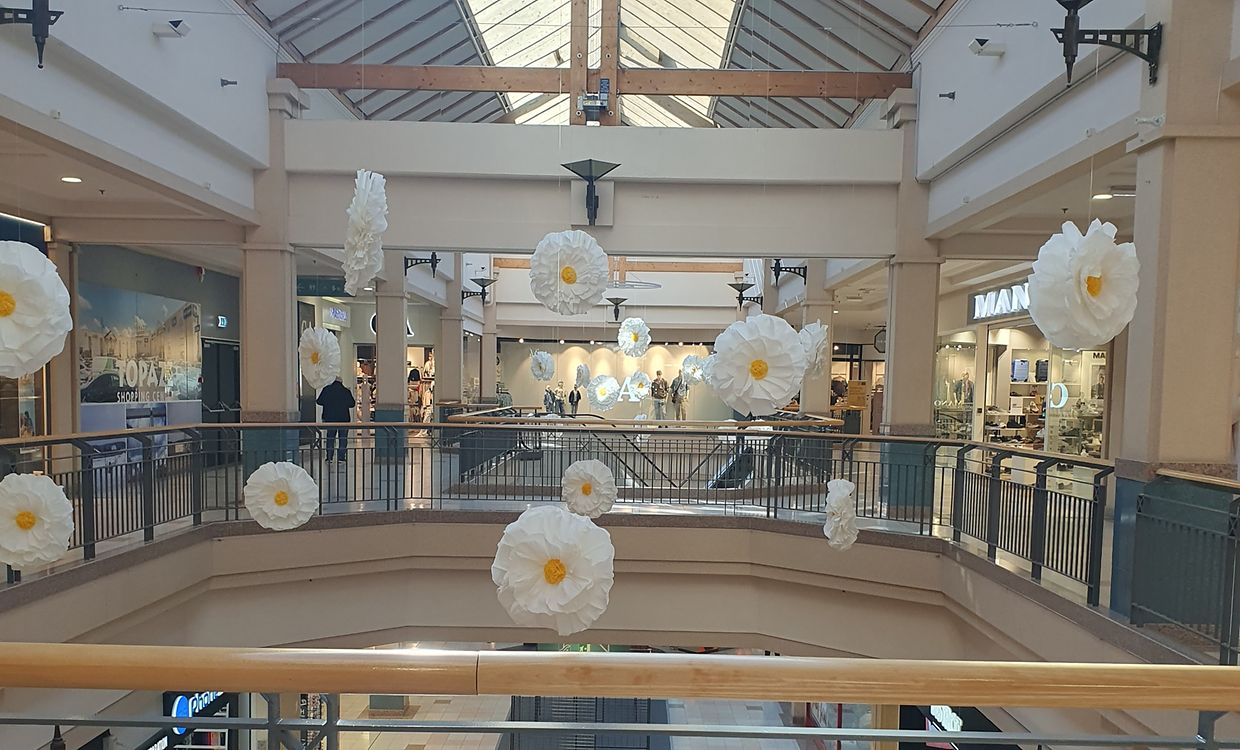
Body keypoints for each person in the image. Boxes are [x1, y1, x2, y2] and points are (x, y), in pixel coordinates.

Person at [316, 376, 356, 463]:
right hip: (344, 419)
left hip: (330, 419)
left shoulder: (327, 390)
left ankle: (329, 457)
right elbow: (352, 404)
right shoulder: (346, 391)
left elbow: (319, 401)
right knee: (343, 438)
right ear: (341, 382)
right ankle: (341, 457)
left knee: (330, 438)